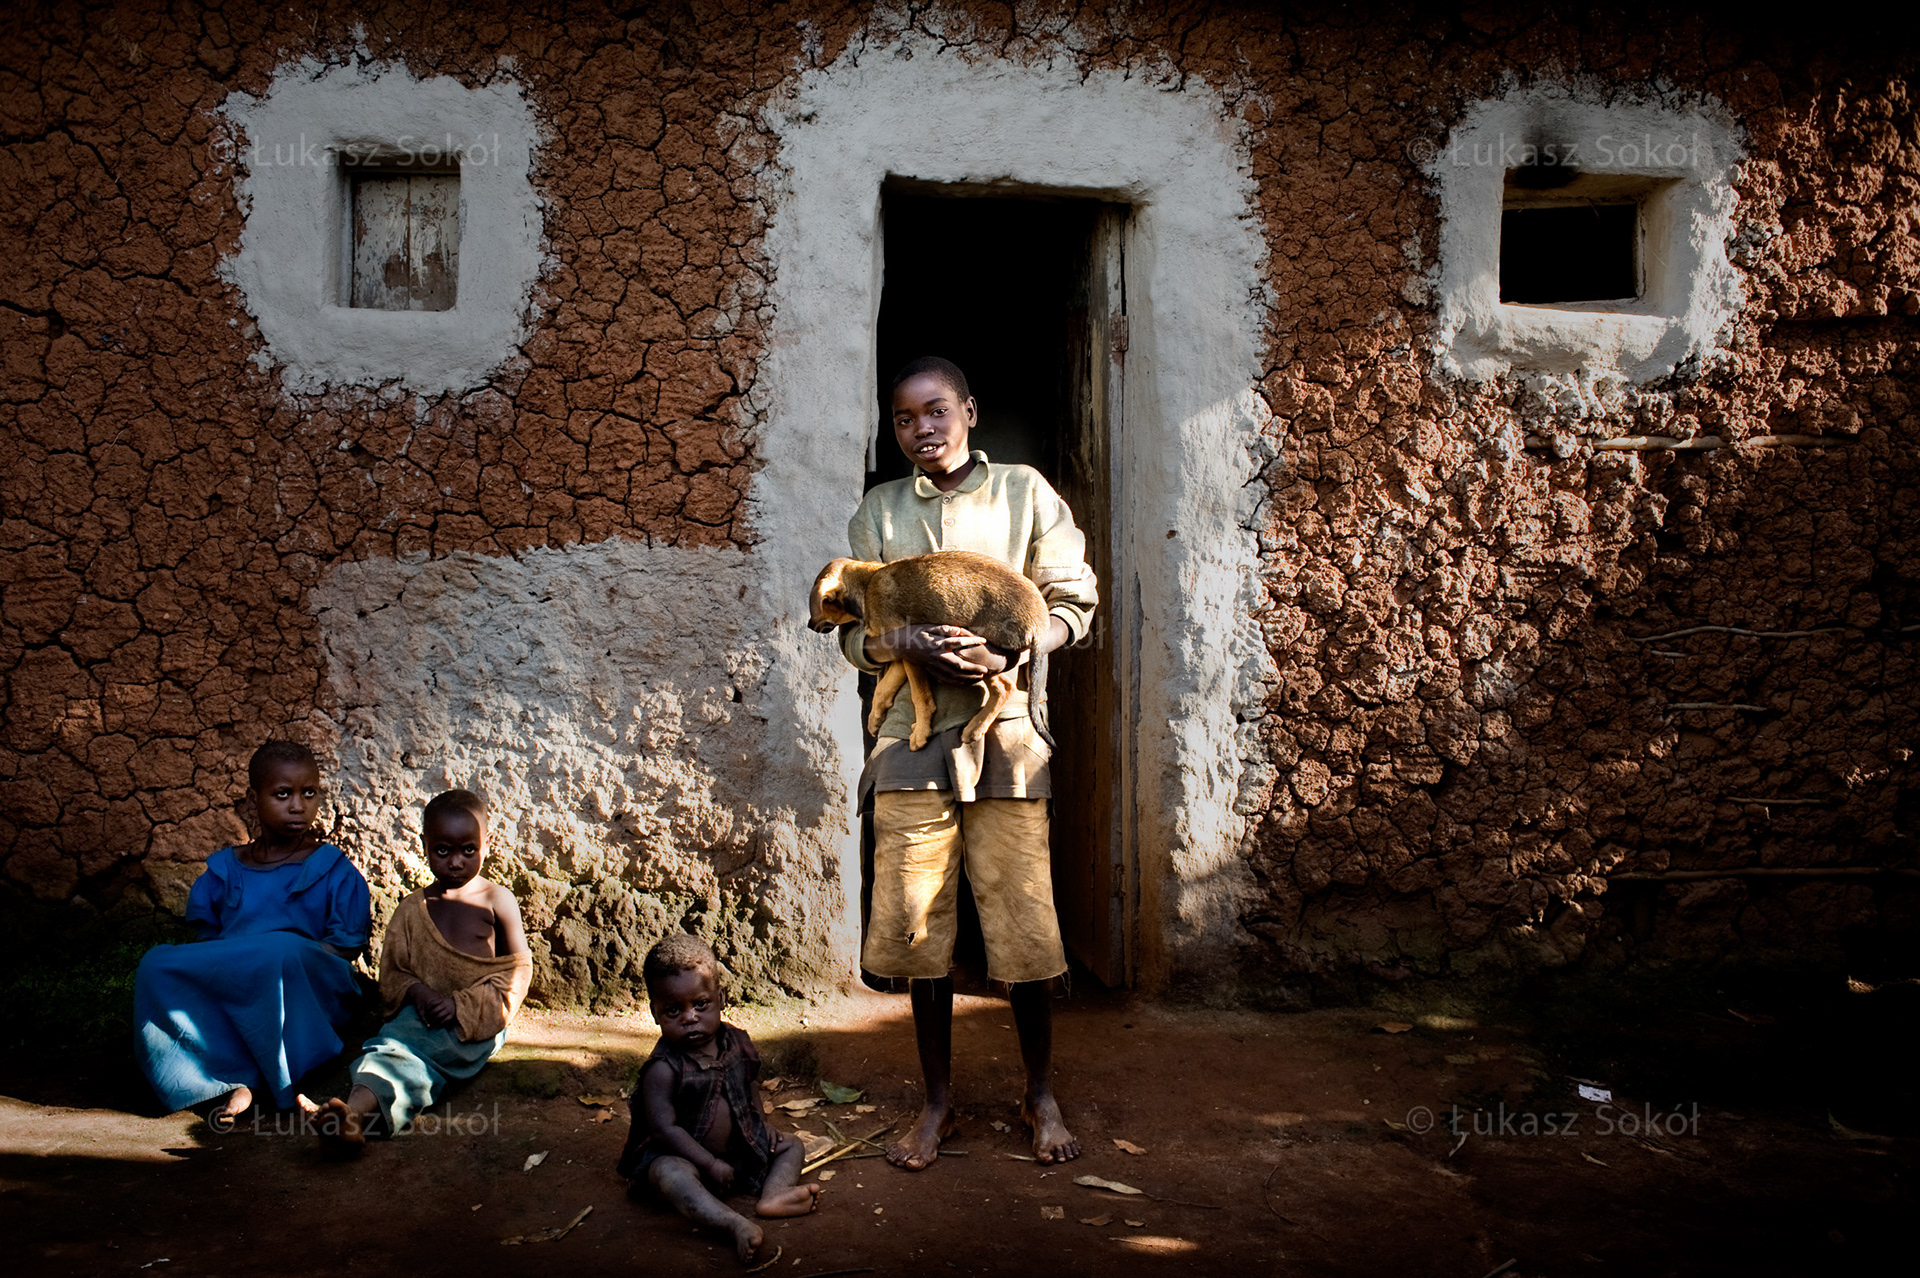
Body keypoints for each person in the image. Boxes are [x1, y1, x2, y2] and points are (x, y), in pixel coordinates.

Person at [836, 355, 1098, 1169]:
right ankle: (937, 1103)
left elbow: (1072, 605)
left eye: (936, 411)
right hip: (910, 744)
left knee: (1022, 918)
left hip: (1007, 732)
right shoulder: (878, 514)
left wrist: (1011, 644)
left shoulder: (1024, 494)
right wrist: (899, 642)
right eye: (906, 419)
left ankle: (1039, 1092)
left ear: (970, 412)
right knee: (919, 923)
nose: (923, 429)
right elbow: (851, 628)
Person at [133, 740, 372, 1128]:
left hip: (300, 989)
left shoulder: (333, 871)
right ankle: (224, 1077)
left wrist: (275, 957)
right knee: (156, 965)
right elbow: (211, 947)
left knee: (279, 951)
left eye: (308, 793)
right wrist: (248, 963)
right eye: (283, 794)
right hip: (237, 984)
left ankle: (270, 1078)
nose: (298, 805)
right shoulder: (227, 870)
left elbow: (341, 953)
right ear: (252, 799)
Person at [299, 788, 531, 1152]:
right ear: (425, 844)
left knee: (421, 1061)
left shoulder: (497, 901)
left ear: (488, 843)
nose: (455, 861)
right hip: (419, 1017)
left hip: (475, 1022)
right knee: (387, 1046)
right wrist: (420, 994)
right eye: (443, 850)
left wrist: (461, 1007)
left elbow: (517, 972)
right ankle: (351, 1113)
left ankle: (353, 1116)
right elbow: (394, 974)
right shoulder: (412, 910)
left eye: (468, 850)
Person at [617, 933, 821, 1263]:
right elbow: (663, 1130)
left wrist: (761, 1126)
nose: (689, 1017)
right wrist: (708, 1163)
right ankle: (731, 1224)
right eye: (672, 1010)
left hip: (737, 1155)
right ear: (654, 1013)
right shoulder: (663, 1068)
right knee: (669, 1172)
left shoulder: (737, 1042)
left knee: (791, 1145)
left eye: (700, 1004)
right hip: (689, 1160)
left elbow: (749, 1085)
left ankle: (774, 1195)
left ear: (720, 998)